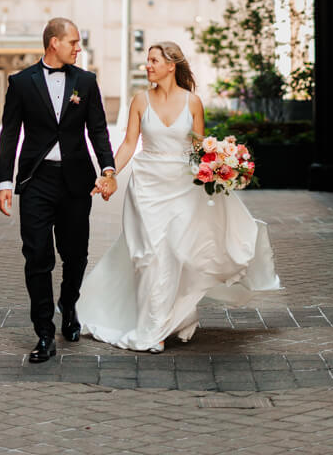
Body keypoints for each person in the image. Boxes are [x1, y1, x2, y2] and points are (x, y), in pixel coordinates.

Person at [77, 41, 280, 352]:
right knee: (150, 256)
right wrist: (109, 173)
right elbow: (130, 144)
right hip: (147, 188)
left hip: (183, 189)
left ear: (171, 65)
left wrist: (226, 164)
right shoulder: (140, 101)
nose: (148, 66)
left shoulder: (193, 102)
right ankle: (154, 328)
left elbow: (200, 150)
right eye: (147, 61)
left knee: (178, 252)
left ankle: (175, 316)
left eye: (154, 60)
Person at [0, 17, 117, 364]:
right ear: (54, 43)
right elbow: (9, 134)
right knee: (37, 256)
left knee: (76, 253)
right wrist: (5, 182)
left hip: (77, 181)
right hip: (36, 180)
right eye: (74, 42)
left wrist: (107, 169)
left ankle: (69, 303)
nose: (79, 48)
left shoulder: (86, 81)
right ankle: (44, 333)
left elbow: (98, 130)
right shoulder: (21, 83)